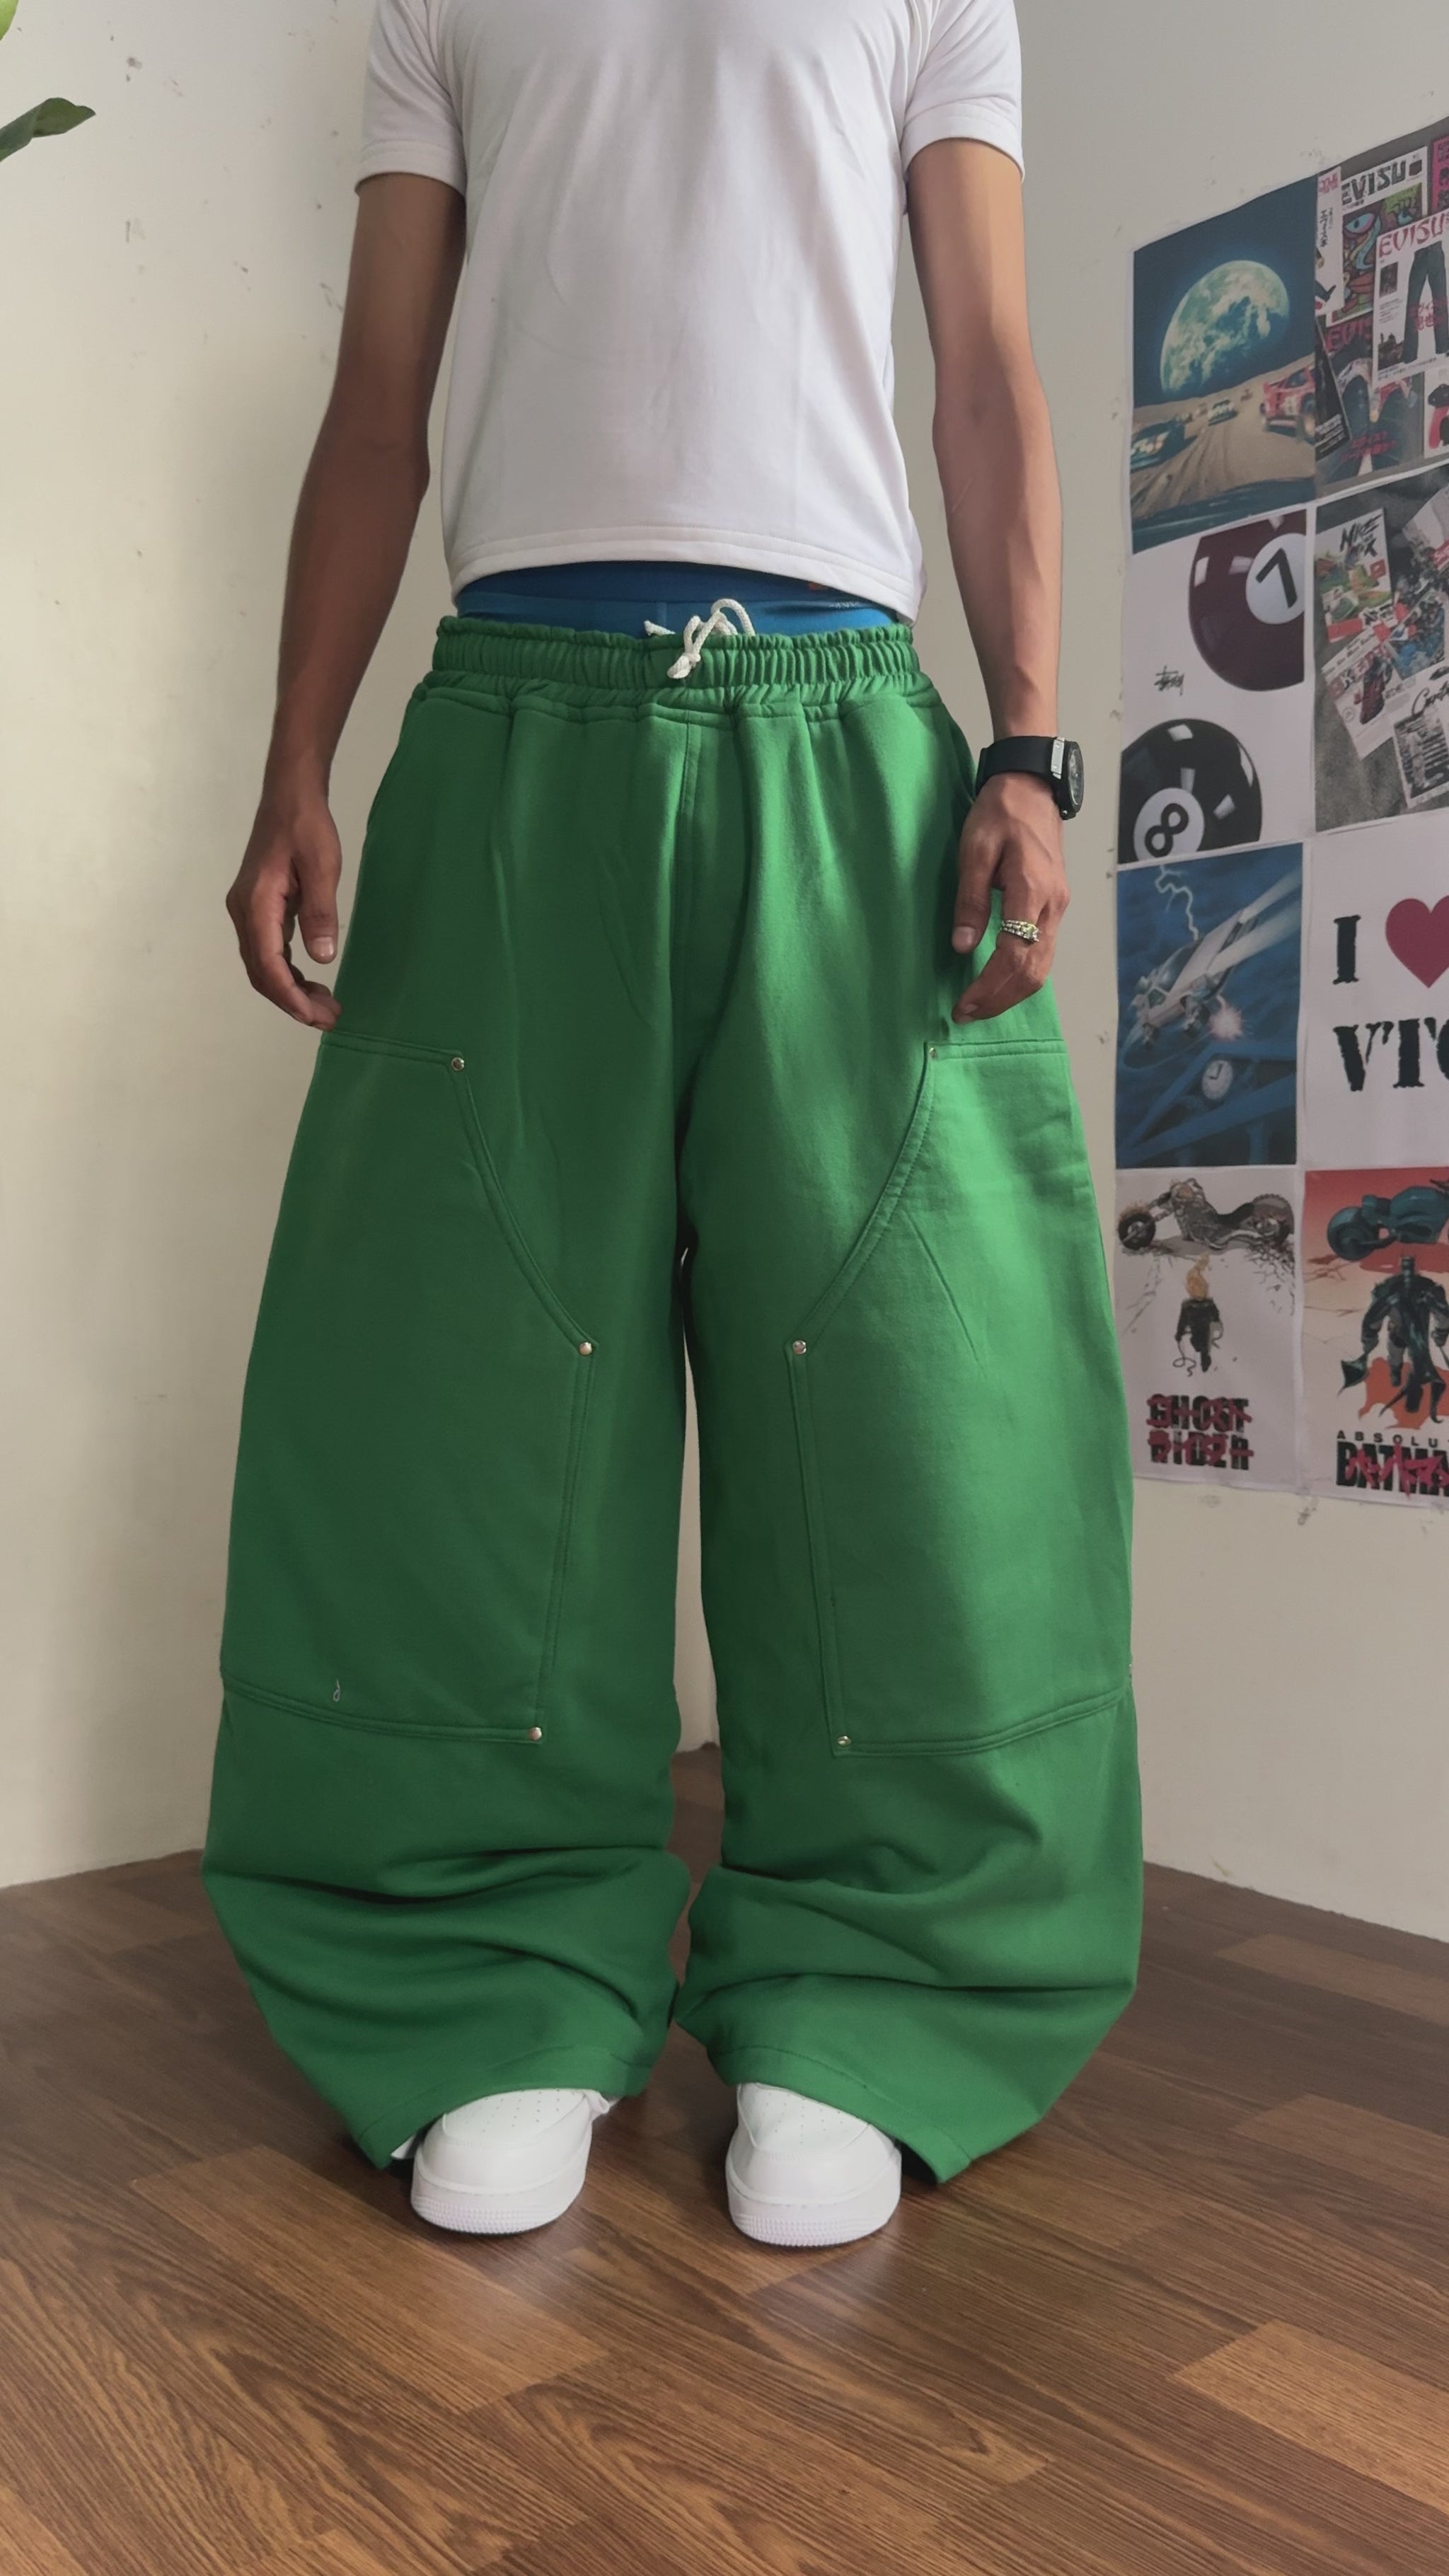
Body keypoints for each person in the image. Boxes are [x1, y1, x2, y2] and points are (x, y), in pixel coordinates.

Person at [204, 0, 1140, 2251]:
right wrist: (295, 756)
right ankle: (483, 1962)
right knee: (465, 1382)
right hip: (514, 722)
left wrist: (1028, 746)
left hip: (848, 730)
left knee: (915, 1388)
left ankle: (883, 1976)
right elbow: (380, 401)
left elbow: (984, 368)